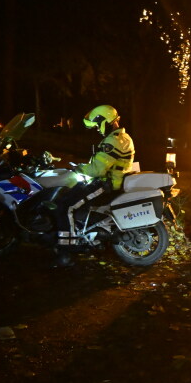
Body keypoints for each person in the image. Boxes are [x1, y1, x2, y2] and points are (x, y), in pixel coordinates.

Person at [52, 105, 135, 267]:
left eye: (97, 125)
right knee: (70, 197)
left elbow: (97, 170)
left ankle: (66, 252)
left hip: (106, 184)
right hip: (108, 181)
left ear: (105, 121)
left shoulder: (113, 140)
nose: (97, 129)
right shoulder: (121, 137)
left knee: (65, 206)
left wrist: (78, 168)